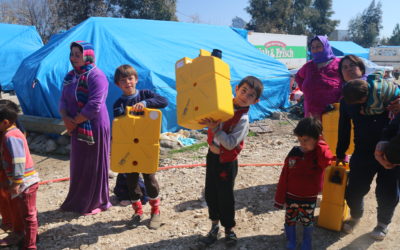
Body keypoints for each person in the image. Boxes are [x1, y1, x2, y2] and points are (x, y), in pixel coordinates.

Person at [336, 54, 399, 240]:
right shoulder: (346, 100)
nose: (348, 69)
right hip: (363, 149)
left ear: (361, 69)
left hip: (392, 148)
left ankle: (382, 223)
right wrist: (340, 153)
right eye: (344, 67)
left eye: (352, 66)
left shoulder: (385, 89)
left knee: (387, 189)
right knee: (354, 189)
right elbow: (343, 128)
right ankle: (356, 216)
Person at [198, 76, 263, 247]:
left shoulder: (243, 119)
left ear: (255, 101)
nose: (245, 96)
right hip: (212, 157)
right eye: (243, 91)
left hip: (226, 162)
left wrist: (214, 129)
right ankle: (214, 226)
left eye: (250, 95)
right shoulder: (222, 105)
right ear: (236, 89)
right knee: (211, 193)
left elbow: (229, 143)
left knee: (225, 196)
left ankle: (229, 229)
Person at [112, 64, 168, 229]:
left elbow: (163, 101)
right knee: (131, 181)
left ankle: (155, 211)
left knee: (150, 178)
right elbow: (120, 124)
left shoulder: (145, 94)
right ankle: (137, 212)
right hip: (129, 148)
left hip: (146, 146)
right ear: (118, 84)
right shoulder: (118, 104)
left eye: (130, 78)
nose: (127, 82)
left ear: (136, 79)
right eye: (123, 80)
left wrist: (145, 103)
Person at [59, 41, 111, 215]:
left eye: (77, 54)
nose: (73, 58)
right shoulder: (70, 76)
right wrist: (66, 118)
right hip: (75, 125)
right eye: (72, 54)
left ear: (87, 55)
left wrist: (75, 121)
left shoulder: (96, 76)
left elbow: (95, 104)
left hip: (93, 126)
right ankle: (77, 199)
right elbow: (63, 99)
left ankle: (96, 201)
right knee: (79, 163)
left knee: (93, 163)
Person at [274, 117, 333, 250]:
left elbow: (327, 161)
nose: (302, 144)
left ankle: (307, 241)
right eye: (300, 140)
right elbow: (284, 175)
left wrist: (321, 143)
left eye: (306, 140)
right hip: (291, 196)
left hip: (309, 198)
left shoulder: (319, 154)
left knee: (307, 221)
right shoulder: (294, 153)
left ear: (317, 138)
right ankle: (291, 240)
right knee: (290, 219)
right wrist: (279, 198)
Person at [0, 100, 39, 249]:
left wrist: (16, 183)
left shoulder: (11, 137)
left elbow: (18, 161)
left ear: (4, 122)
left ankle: (30, 245)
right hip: (19, 182)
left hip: (25, 183)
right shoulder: (10, 133)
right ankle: (20, 235)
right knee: (21, 212)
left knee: (29, 216)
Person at [295, 35, 342, 120]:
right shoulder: (308, 66)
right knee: (311, 133)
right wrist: (305, 89)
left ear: (326, 46)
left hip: (332, 113)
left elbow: (350, 81)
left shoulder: (339, 64)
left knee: (329, 133)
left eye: (319, 46)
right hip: (310, 114)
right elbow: (298, 76)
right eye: (313, 47)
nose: (315, 49)